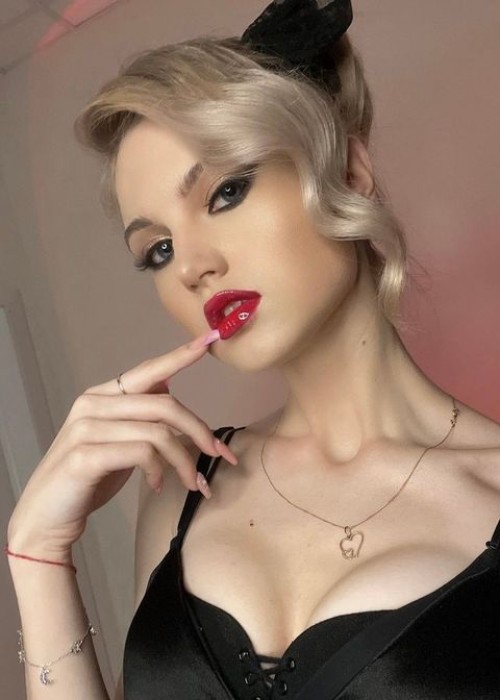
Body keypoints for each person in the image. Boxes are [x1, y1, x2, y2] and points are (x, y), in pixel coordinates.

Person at [5, 1, 500, 698]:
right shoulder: (184, 491)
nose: (191, 267)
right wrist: (38, 556)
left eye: (226, 192)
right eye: (158, 249)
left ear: (348, 170)